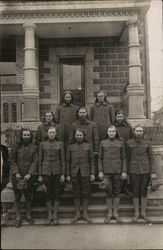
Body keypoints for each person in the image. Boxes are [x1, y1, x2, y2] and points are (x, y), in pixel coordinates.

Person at [98, 125, 127, 223]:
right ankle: (109, 214)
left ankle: (116, 213)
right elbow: (100, 158)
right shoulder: (102, 142)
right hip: (106, 171)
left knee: (117, 191)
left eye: (113, 131)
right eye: (109, 131)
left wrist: (124, 171)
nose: (111, 133)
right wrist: (101, 171)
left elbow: (124, 158)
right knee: (108, 192)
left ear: (116, 132)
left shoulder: (120, 142)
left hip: (117, 171)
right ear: (107, 132)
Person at [10, 128, 38, 228]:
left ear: (30, 136)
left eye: (28, 135)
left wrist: (30, 174)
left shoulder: (34, 147)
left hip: (28, 176)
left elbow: (35, 161)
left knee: (28, 196)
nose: (26, 137)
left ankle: (28, 215)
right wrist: (16, 173)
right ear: (21, 136)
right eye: (24, 135)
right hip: (17, 176)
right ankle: (18, 218)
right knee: (17, 197)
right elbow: (12, 161)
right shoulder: (15, 147)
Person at [126, 125, 154, 222]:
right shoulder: (129, 143)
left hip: (145, 170)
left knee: (144, 190)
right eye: (137, 131)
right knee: (135, 190)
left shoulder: (148, 143)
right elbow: (127, 158)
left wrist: (152, 172)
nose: (138, 132)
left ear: (143, 132)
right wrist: (126, 171)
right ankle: (136, 213)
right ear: (134, 132)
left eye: (140, 131)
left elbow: (151, 157)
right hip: (133, 170)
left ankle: (143, 213)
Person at [66, 129, 95, 223]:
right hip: (74, 172)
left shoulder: (89, 146)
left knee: (85, 192)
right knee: (76, 193)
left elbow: (92, 160)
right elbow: (67, 161)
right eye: (77, 135)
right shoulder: (70, 146)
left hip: (85, 172)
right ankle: (77, 213)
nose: (79, 137)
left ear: (83, 136)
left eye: (80, 135)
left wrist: (92, 173)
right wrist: (67, 174)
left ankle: (85, 213)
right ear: (75, 136)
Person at [38, 126, 65, 226]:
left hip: (57, 172)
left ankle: (55, 216)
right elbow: (40, 160)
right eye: (50, 132)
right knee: (48, 194)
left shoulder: (60, 144)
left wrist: (63, 173)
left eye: (53, 132)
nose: (52, 134)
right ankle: (49, 216)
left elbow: (62, 160)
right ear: (47, 134)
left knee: (57, 193)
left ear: (56, 134)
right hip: (46, 172)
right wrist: (40, 174)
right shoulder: (42, 144)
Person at [114, 109, 134, 195]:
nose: (119, 118)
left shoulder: (128, 127)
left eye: (121, 116)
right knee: (118, 169)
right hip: (116, 150)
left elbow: (132, 138)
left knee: (126, 169)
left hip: (126, 149)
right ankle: (118, 188)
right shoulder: (113, 126)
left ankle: (126, 188)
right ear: (115, 117)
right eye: (118, 116)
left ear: (123, 117)